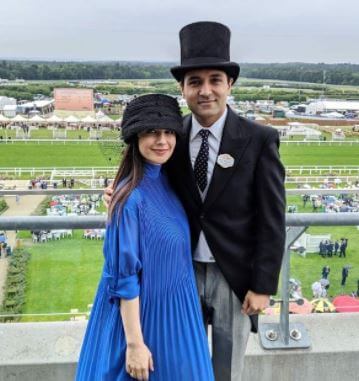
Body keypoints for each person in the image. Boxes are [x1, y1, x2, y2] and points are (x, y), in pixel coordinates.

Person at [105, 22, 285, 381]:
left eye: (215, 79)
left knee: (225, 372)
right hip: (177, 275)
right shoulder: (171, 136)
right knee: (180, 367)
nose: (206, 91)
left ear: (229, 84)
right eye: (195, 82)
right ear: (182, 88)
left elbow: (272, 218)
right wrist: (116, 192)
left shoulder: (259, 139)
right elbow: (146, 180)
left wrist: (263, 285)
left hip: (232, 279)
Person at [76, 94, 214, 381]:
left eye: (168, 132)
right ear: (135, 138)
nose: (162, 140)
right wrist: (135, 344)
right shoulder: (129, 199)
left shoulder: (167, 180)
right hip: (147, 320)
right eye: (151, 132)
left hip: (178, 314)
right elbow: (124, 279)